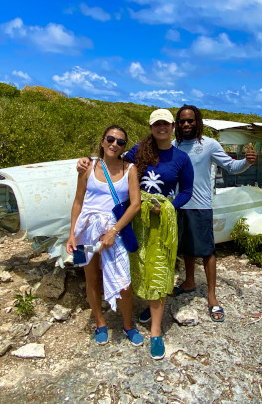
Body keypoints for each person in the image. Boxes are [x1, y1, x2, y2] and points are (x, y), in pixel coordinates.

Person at [76, 109, 194, 360]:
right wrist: (84, 159)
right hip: (125, 224)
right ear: (151, 127)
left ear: (172, 127)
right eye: (156, 124)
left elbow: (186, 191)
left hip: (156, 220)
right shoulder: (139, 150)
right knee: (114, 272)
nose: (161, 128)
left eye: (166, 124)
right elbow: (109, 160)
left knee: (157, 271)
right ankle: (104, 322)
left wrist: (166, 207)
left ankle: (154, 331)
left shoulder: (182, 158)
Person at [172, 104, 257, 322]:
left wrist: (247, 162)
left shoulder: (208, 145)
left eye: (190, 120)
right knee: (187, 248)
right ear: (177, 124)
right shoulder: (172, 146)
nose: (186, 124)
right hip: (178, 206)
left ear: (197, 121)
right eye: (182, 121)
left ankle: (212, 296)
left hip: (200, 206)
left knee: (207, 251)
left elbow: (231, 166)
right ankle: (189, 281)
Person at [65, 125, 143, 347]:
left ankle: (128, 325)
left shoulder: (130, 169)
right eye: (110, 139)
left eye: (120, 142)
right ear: (102, 141)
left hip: (113, 231)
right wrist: (72, 234)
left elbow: (135, 204)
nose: (114, 144)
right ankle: (100, 323)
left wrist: (113, 231)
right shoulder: (88, 167)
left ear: (124, 147)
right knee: (91, 278)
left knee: (123, 283)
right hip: (87, 232)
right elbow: (78, 201)